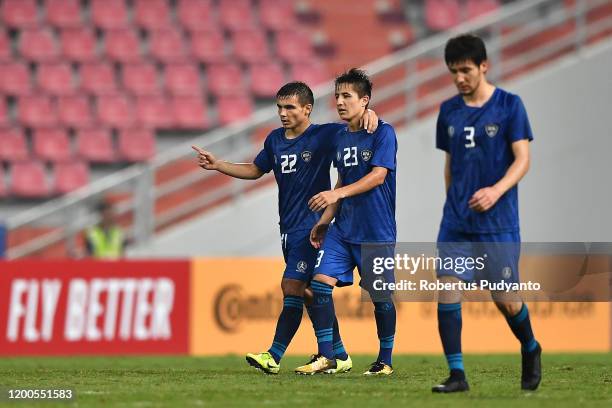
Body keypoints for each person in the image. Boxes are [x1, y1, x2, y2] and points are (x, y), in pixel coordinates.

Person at [192, 81, 379, 374]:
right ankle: (339, 354)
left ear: (307, 109)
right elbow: (256, 170)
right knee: (305, 292)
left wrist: (372, 114)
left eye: (290, 107)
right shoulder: (275, 140)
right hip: (288, 228)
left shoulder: (325, 135)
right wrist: (219, 165)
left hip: (312, 226)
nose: (283, 112)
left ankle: (274, 356)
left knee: (291, 286)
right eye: (279, 107)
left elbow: (357, 127)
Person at [431, 33, 541, 393]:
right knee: (447, 288)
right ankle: (457, 374)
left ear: (483, 66)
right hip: (457, 224)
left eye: (465, 70)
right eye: (453, 72)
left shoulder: (510, 105)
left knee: (505, 299)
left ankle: (530, 346)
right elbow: (450, 163)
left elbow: (523, 159)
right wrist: (452, 204)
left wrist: (496, 191)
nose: (459, 78)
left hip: (498, 223)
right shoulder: (448, 111)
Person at [295, 69, 398, 376]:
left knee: (380, 298)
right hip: (343, 230)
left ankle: (385, 360)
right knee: (317, 286)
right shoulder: (340, 137)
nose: (339, 102)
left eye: (347, 96)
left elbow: (379, 176)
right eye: (337, 95)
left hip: (376, 231)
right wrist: (326, 220)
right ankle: (329, 356)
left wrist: (335, 193)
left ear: (364, 101)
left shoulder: (383, 132)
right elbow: (343, 178)